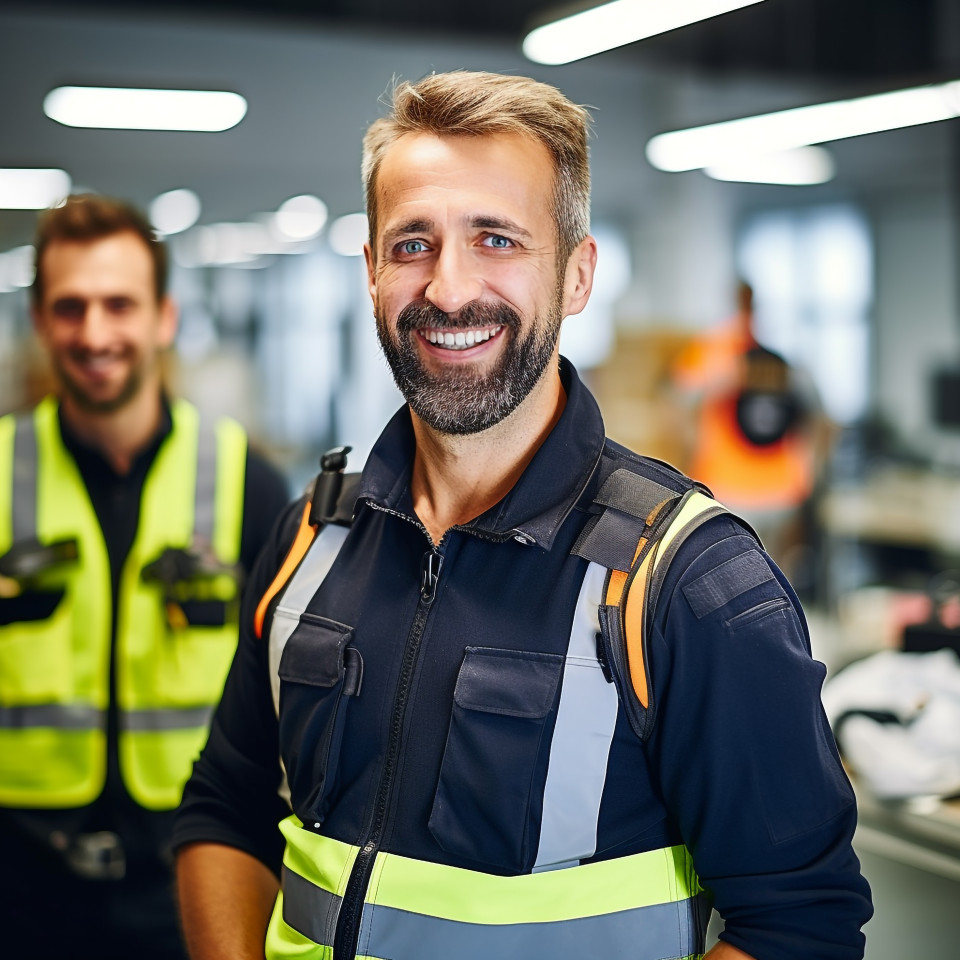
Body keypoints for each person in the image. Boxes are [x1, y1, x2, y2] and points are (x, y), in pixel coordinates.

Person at [173, 72, 872, 960]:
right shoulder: (314, 535)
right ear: (372, 272)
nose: (450, 288)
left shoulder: (687, 582)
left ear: (576, 274)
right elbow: (225, 811)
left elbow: (800, 926)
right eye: (413, 243)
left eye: (496, 239)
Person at [0, 195, 289, 959]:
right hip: (19, 892)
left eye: (118, 305)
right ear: (40, 322)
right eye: (71, 307)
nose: (95, 334)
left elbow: (283, 716)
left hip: (187, 887)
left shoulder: (248, 486)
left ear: (163, 317)